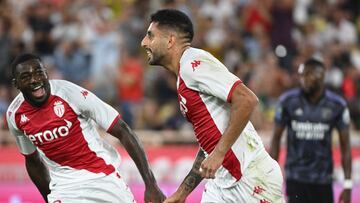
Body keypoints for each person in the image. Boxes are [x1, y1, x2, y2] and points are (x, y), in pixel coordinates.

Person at [141, 9, 284, 203]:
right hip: (221, 183)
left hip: (250, 178)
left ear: (170, 40)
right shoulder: (184, 75)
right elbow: (208, 144)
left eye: (150, 36)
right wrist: (182, 193)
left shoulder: (193, 63)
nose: (144, 42)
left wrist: (219, 154)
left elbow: (247, 99)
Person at [6, 53, 165, 203]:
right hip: (65, 188)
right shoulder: (15, 115)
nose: (35, 80)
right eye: (26, 77)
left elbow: (123, 131)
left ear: (47, 73)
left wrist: (151, 184)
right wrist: (49, 198)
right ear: (16, 84)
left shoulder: (70, 93)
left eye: (39, 73)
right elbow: (32, 161)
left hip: (103, 179)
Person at [269, 58, 352, 203]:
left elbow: (345, 146)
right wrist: (269, 178)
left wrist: (348, 185)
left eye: (309, 75)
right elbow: (275, 139)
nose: (304, 79)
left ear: (322, 76)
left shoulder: (337, 105)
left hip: (323, 179)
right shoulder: (288, 101)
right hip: (295, 177)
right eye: (302, 75)